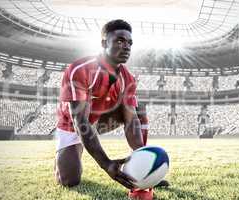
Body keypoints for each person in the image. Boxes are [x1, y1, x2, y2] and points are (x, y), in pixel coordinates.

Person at [54, 19, 168, 200]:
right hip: (72, 124)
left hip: (100, 121)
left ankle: (144, 165)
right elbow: (80, 122)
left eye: (130, 43)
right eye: (120, 41)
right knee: (69, 180)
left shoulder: (128, 78)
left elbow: (130, 120)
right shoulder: (80, 69)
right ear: (103, 43)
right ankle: (70, 152)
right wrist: (106, 164)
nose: (127, 47)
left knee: (138, 111)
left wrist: (145, 167)